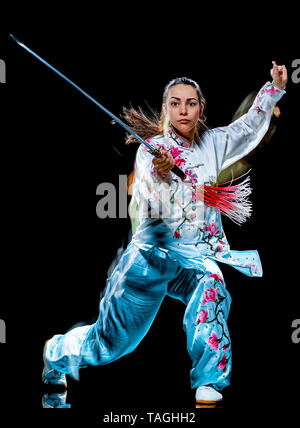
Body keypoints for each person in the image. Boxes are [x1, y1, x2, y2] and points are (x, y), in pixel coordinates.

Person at [42, 61, 287, 406]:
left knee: (213, 284)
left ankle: (209, 381)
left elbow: (248, 128)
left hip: (192, 257)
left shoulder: (214, 143)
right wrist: (163, 173)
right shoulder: (150, 152)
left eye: (190, 103)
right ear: (166, 108)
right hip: (150, 259)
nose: (183, 110)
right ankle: (55, 353)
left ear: (201, 108)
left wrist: (274, 87)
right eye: (175, 103)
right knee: (109, 346)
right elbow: (151, 204)